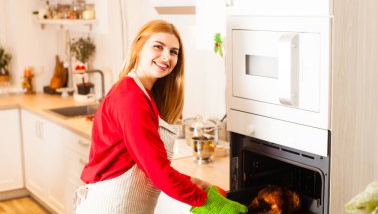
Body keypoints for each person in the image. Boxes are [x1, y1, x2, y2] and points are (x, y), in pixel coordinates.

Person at [73, 19, 247, 214]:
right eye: (158, 47)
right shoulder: (130, 98)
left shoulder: (142, 94)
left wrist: (200, 185)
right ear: (138, 47)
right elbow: (157, 171)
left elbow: (150, 164)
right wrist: (204, 200)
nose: (166, 56)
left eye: (174, 52)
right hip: (113, 207)